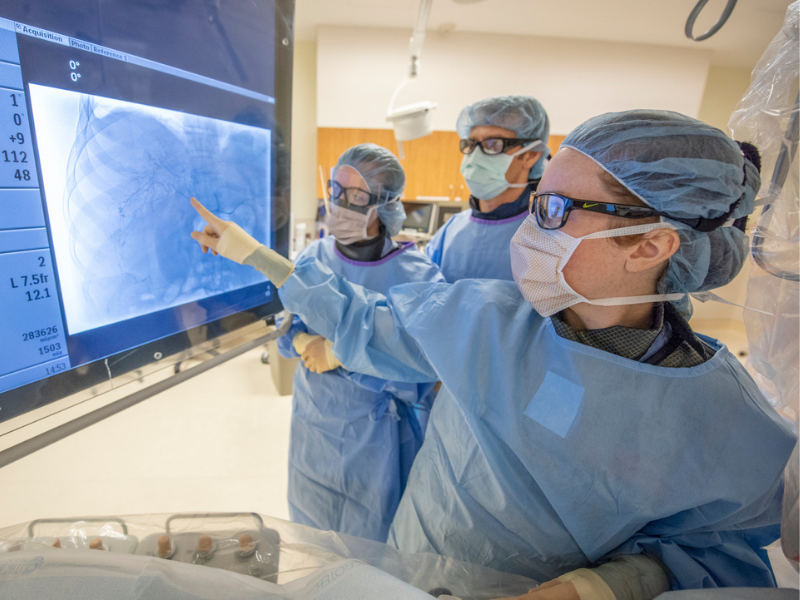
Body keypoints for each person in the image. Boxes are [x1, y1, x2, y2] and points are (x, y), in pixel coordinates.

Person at [190, 111, 796, 599]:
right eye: (537, 203)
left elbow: (718, 554)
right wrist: (257, 257)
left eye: (556, 209)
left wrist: (600, 586)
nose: (530, 229)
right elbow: (361, 323)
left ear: (650, 245)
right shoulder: (485, 322)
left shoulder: (721, 418)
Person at [275, 144, 443, 542]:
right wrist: (300, 341)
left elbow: (426, 370)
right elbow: (282, 326)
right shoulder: (313, 257)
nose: (340, 203)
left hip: (378, 441)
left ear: (384, 204)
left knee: (371, 551)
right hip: (314, 429)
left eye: (357, 196)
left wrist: (341, 354)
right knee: (311, 544)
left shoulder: (418, 277)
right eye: (336, 190)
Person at [426, 95, 549, 282]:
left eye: (493, 144)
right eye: (471, 144)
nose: (475, 157)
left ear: (530, 155)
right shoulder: (449, 232)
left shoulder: (548, 237)